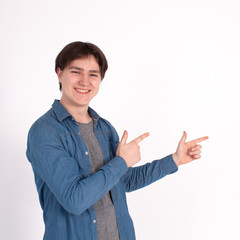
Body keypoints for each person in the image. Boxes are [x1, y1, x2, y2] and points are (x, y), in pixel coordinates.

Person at [26, 41, 208, 240]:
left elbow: (124, 181)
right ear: (60, 74)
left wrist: (174, 159)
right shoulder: (44, 132)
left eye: (93, 74)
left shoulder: (103, 128)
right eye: (76, 72)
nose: (85, 82)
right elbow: (75, 200)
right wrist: (121, 161)